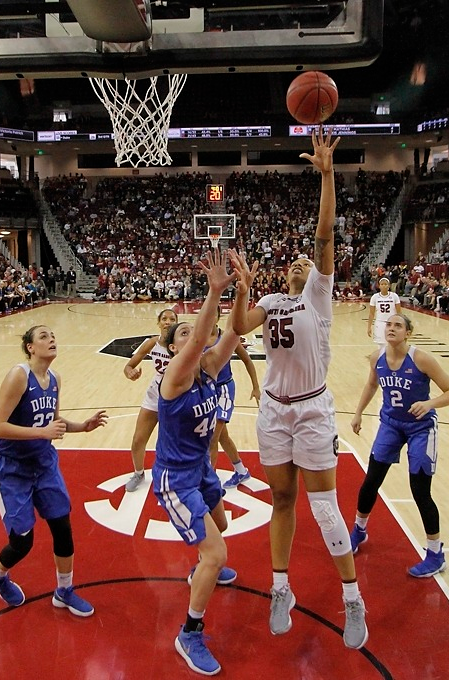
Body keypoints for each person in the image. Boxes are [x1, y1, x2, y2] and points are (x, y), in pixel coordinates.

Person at [231, 127, 368, 649]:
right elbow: (239, 327)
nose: (299, 260)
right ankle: (280, 588)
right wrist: (242, 289)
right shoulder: (269, 301)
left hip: (312, 410)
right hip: (273, 409)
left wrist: (328, 176)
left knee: (325, 507)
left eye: (305, 261)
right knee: (281, 500)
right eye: (293, 260)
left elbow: (324, 236)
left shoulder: (319, 297)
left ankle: (352, 598)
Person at [153, 248, 247, 676]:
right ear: (174, 347)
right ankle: (189, 632)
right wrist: (212, 294)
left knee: (221, 528)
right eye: (185, 334)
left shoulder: (210, 367)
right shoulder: (174, 376)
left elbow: (235, 331)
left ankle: (201, 572)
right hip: (176, 480)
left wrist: (243, 291)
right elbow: (201, 336)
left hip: (202, 470)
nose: (195, 337)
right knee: (217, 554)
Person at [0, 325, 108, 618]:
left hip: (43, 462)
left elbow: (51, 420)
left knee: (62, 527)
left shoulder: (54, 378)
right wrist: (41, 432)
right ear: (30, 347)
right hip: (12, 466)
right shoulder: (18, 376)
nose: (52, 339)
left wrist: (82, 426)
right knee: (22, 542)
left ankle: (64, 590)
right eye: (43, 336)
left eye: (53, 335)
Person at [349, 314, 449, 576]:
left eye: (398, 325)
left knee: (420, 490)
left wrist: (429, 403)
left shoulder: (421, 359)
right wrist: (358, 412)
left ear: (408, 333)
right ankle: (359, 531)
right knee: (371, 481)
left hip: (421, 427)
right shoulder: (377, 358)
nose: (392, 328)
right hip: (391, 424)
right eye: (388, 325)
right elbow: (371, 384)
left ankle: (435, 553)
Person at [122, 307, 178, 492]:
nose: (168, 322)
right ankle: (139, 473)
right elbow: (129, 365)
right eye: (164, 318)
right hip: (155, 394)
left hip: (177, 396)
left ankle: (177, 474)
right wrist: (130, 372)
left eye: (172, 319)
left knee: (172, 441)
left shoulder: (182, 344)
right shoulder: (151, 343)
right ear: (159, 322)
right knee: (138, 439)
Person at [207, 306, 262, 489]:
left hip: (224, 389)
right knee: (222, 437)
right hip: (207, 390)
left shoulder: (228, 337)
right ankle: (241, 471)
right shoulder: (197, 337)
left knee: (212, 439)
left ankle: (209, 483)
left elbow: (247, 360)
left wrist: (255, 386)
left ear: (218, 316)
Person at [368, 277, 401, 347]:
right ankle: (382, 357)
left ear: (389, 286)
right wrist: (369, 327)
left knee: (392, 344)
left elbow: (399, 313)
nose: (384, 286)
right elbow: (371, 313)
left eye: (385, 284)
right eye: (382, 284)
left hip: (392, 323)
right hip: (380, 323)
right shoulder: (375, 297)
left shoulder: (394, 296)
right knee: (380, 345)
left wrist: (400, 325)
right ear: (379, 286)